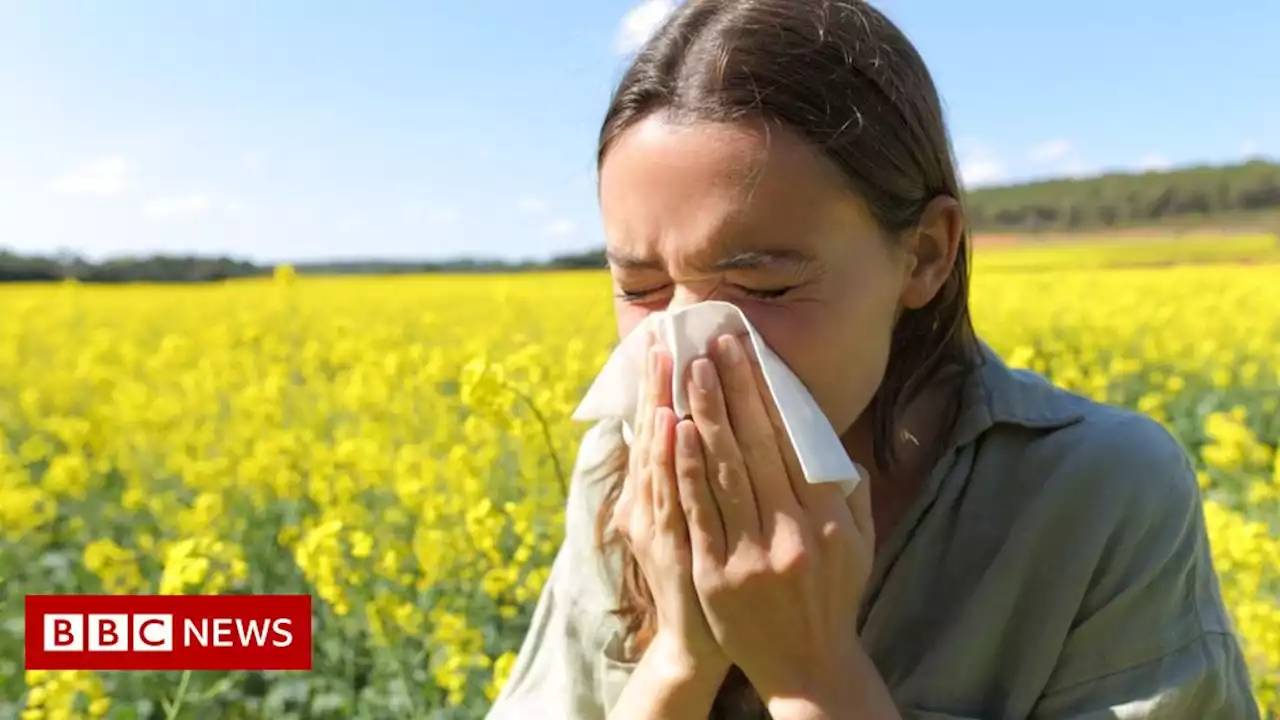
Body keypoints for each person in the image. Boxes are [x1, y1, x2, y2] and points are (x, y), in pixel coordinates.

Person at [486, 1, 1260, 718]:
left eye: (764, 283)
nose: (695, 350)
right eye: (642, 287)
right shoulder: (619, 471)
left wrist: (812, 671)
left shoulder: (1097, 494)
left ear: (924, 254)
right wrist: (680, 661)